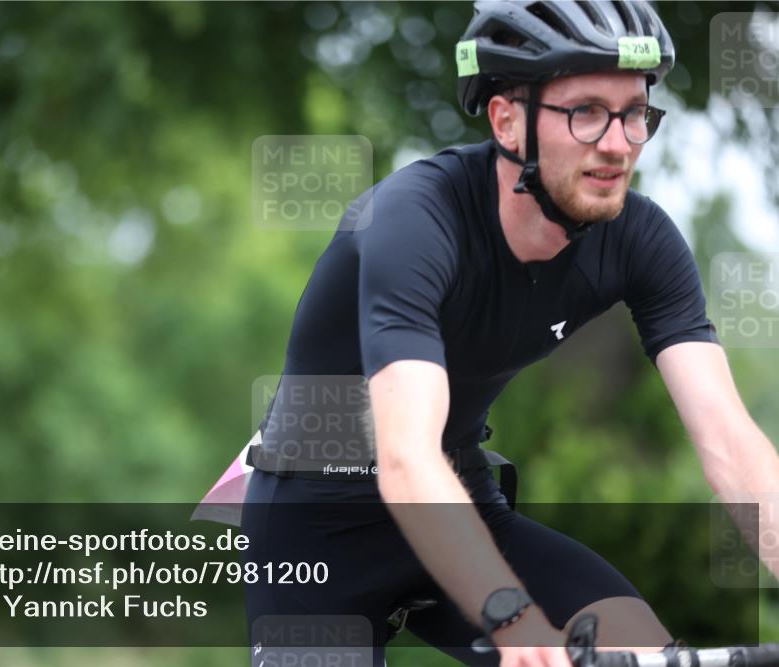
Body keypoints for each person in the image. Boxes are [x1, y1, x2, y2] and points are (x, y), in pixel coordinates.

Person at [238, 2, 779, 666]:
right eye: (586, 111)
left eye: (635, 112)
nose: (618, 143)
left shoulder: (640, 239)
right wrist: (512, 616)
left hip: (460, 497)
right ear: (506, 121)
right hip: (318, 520)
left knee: (639, 649)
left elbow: (730, 441)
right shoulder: (413, 221)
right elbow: (406, 457)